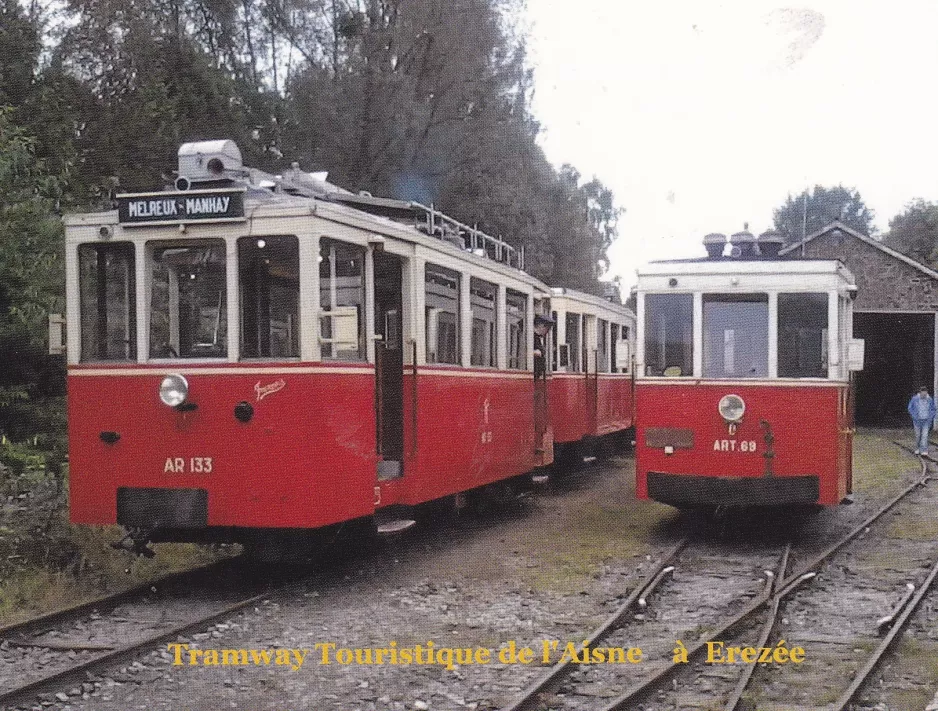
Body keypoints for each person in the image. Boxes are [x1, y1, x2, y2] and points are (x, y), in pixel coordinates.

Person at [907, 386, 936, 456]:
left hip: (926, 420)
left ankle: (924, 450)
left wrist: (931, 417)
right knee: (918, 435)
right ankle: (917, 448)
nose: (924, 395)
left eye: (925, 394)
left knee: (925, 435)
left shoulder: (929, 399)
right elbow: (910, 408)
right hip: (917, 421)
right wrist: (914, 416)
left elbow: (933, 409)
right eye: (923, 394)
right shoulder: (915, 399)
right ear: (920, 393)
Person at [533, 314, 554, 379]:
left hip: (538, 376)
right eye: (547, 329)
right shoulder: (532, 337)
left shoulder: (538, 338)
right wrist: (534, 352)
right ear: (541, 326)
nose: (547, 332)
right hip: (534, 375)